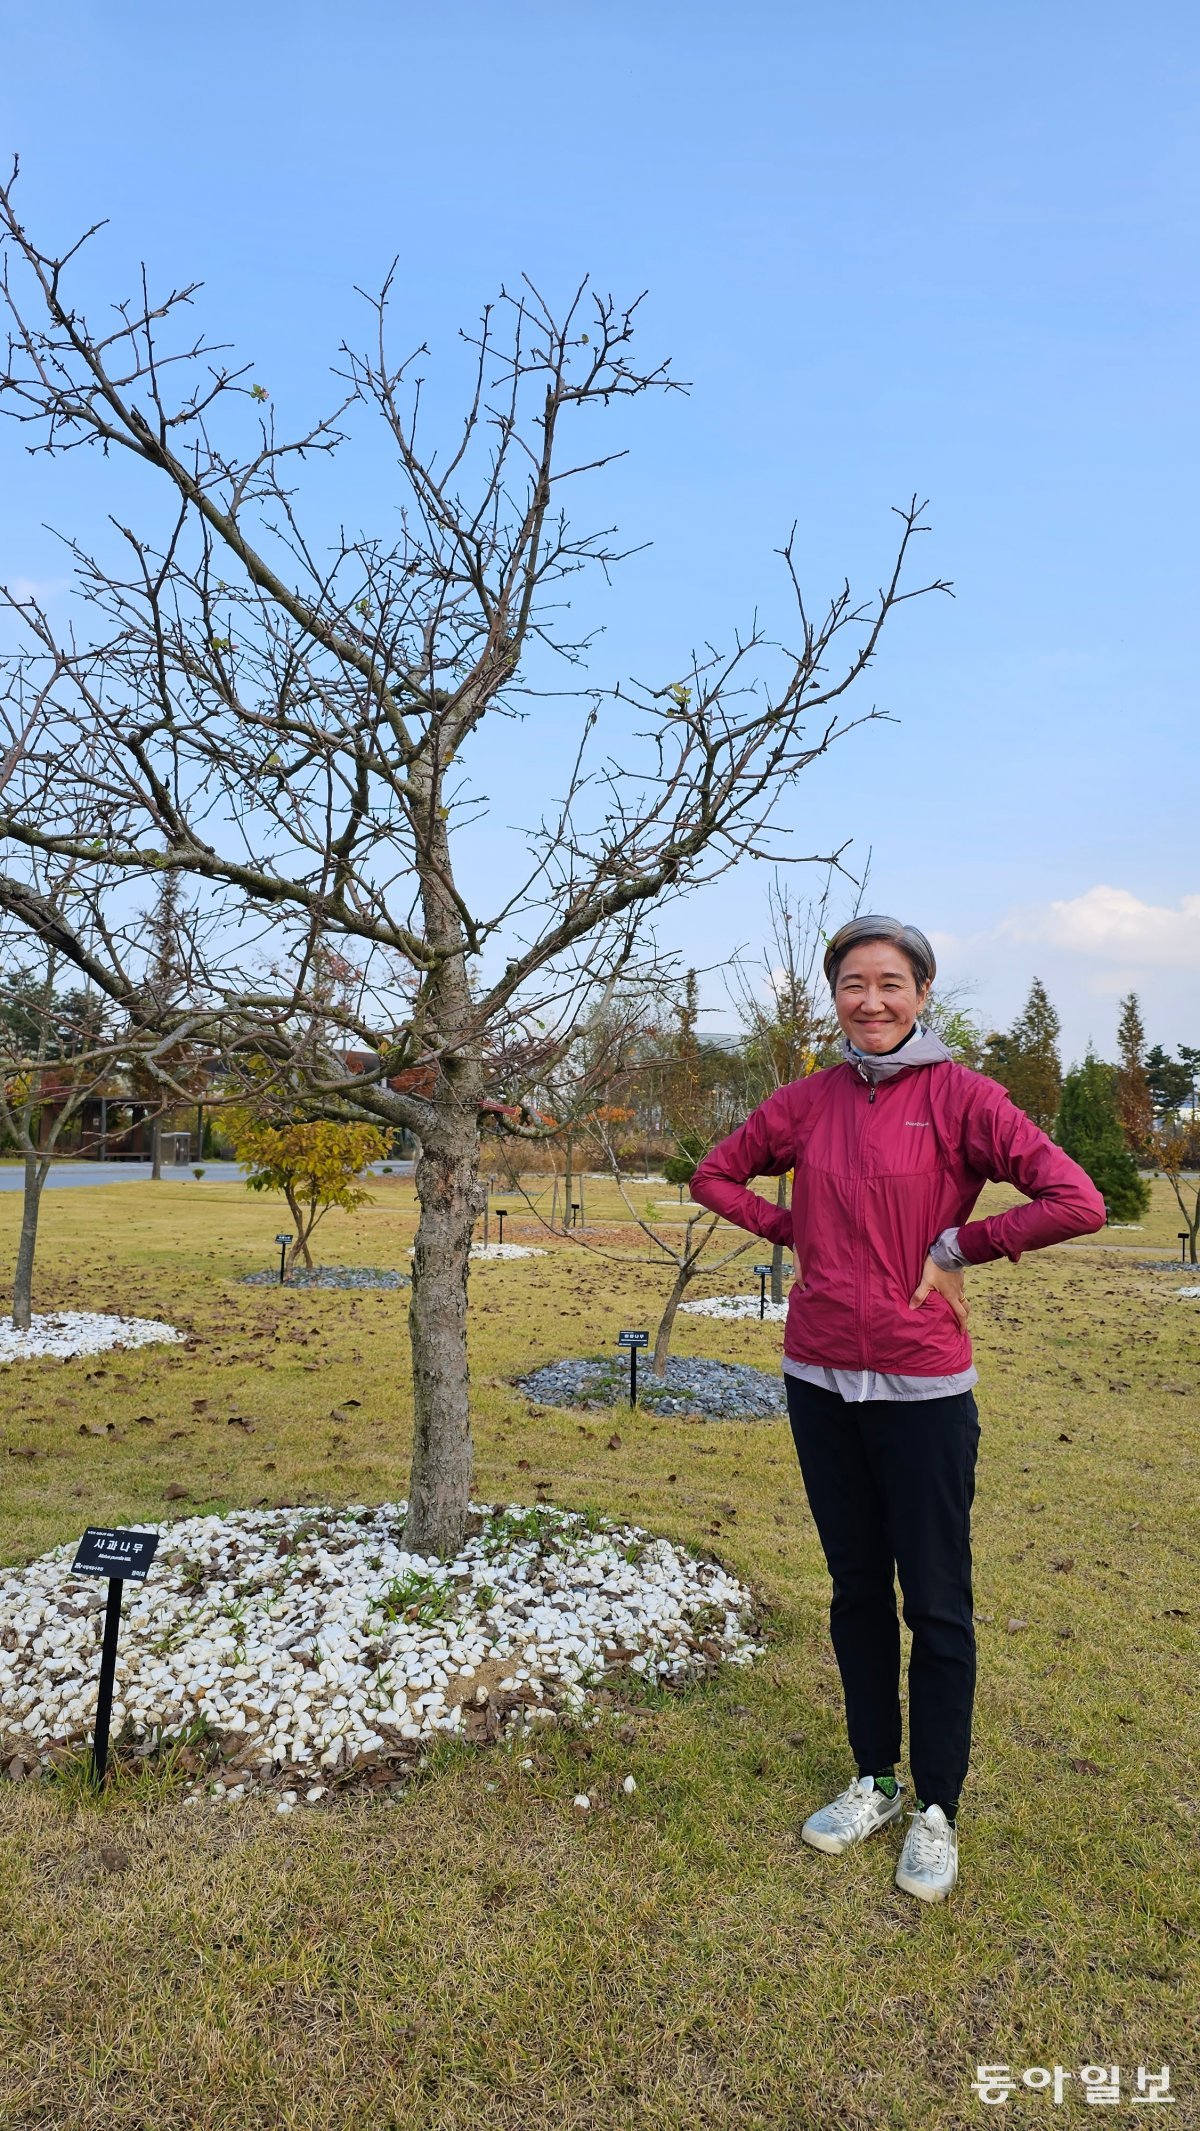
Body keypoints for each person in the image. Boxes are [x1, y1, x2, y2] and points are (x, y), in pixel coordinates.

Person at [689, 915, 1105, 1903]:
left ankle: (937, 1808)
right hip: (820, 1379)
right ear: (832, 995)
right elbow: (712, 1173)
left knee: (936, 1602)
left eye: (890, 983)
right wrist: (797, 1228)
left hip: (923, 1388)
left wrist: (961, 1248)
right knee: (854, 1592)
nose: (869, 1000)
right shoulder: (805, 1102)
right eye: (851, 983)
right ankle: (874, 1776)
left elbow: (1075, 1197)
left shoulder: (964, 1097)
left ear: (921, 994)